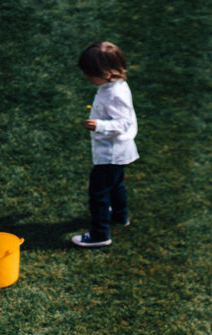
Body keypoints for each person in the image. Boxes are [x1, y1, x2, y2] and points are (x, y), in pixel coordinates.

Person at [72, 41, 139, 248]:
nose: (87, 77)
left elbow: (123, 122)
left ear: (106, 72)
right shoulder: (114, 86)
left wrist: (99, 125)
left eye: (90, 73)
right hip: (117, 152)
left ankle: (100, 234)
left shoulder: (115, 94)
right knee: (116, 184)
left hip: (112, 153)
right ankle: (120, 215)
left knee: (99, 193)